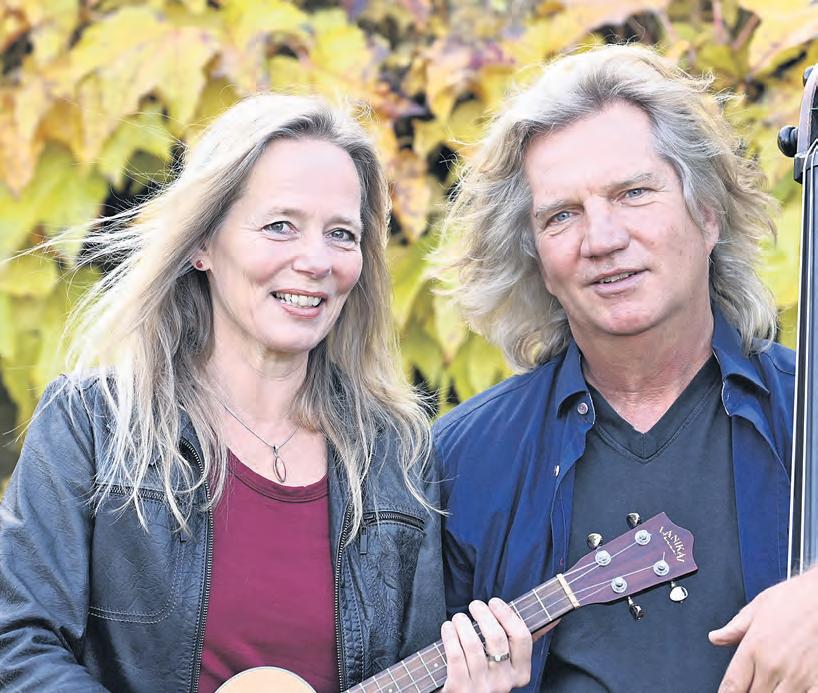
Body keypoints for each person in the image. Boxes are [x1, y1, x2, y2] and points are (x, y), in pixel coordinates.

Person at [0, 95, 531, 692]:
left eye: (341, 234)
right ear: (202, 243)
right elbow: (17, 644)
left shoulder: (394, 457)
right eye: (280, 226)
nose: (316, 261)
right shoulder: (92, 426)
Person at [432, 44, 808, 692]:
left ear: (708, 214)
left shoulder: (809, 410)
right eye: (562, 215)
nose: (602, 239)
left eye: (633, 193)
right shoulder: (461, 463)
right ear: (537, 261)